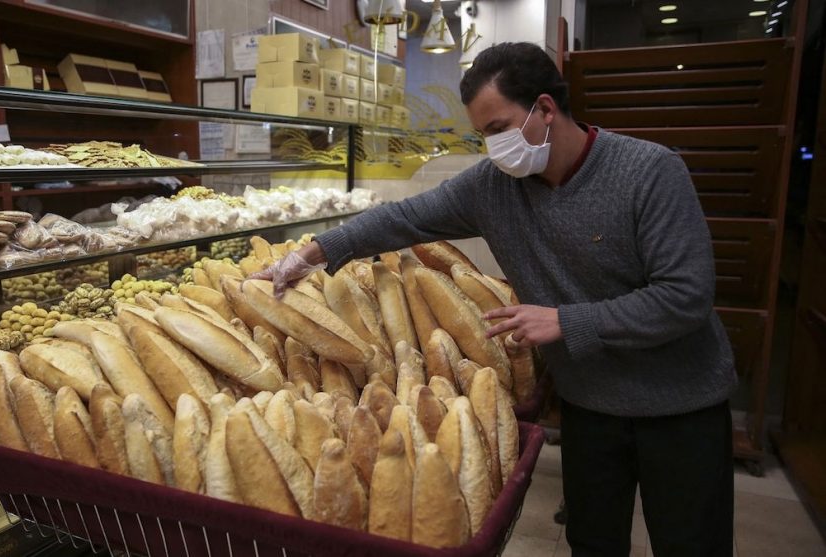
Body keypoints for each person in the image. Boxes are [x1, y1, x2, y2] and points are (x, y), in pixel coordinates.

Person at [256, 42, 737, 556]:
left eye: (499, 129)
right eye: (483, 135)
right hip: (590, 403)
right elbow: (404, 217)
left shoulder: (649, 171)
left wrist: (566, 321)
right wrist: (312, 254)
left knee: (690, 544)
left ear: (545, 109)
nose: (493, 148)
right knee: (593, 542)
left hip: (679, 403)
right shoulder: (493, 187)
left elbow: (685, 296)